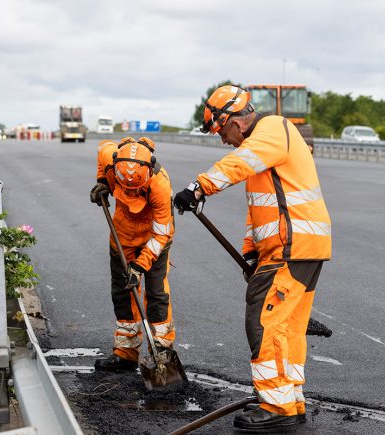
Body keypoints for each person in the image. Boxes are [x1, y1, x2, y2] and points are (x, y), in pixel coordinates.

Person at [173, 85, 332, 432]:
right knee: (288, 327)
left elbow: (236, 165)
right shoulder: (265, 147)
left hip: (293, 246)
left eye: (221, 131)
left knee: (264, 321)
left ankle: (275, 405)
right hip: (297, 247)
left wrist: (198, 188)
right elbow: (262, 208)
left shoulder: (272, 130)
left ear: (234, 121)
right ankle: (289, 400)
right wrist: (251, 249)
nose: (223, 140)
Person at [90, 136, 176, 371]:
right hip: (122, 235)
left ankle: (162, 353)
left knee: (157, 292)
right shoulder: (111, 158)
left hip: (154, 236)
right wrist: (102, 182)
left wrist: (140, 266)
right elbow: (102, 149)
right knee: (123, 291)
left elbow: (162, 235)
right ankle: (126, 352)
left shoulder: (160, 184)